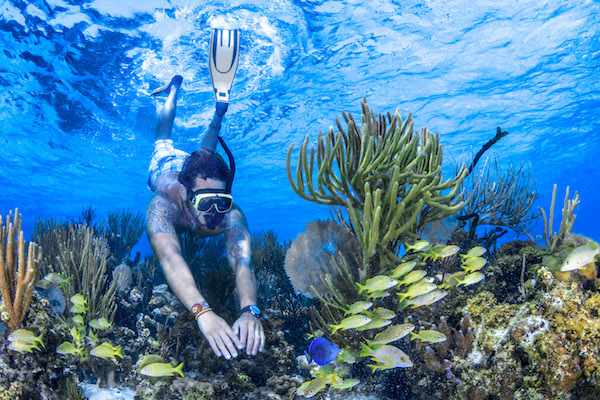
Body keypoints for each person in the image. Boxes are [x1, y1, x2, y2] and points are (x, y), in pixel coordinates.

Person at [145, 29, 264, 360]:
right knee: (163, 138)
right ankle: (172, 91)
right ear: (185, 195)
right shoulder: (163, 205)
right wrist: (203, 312)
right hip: (166, 167)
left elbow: (243, 263)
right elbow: (171, 258)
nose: (215, 212)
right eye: (204, 202)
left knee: (205, 153)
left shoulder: (231, 213)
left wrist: (249, 310)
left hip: (198, 171)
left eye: (221, 201)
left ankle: (218, 115)